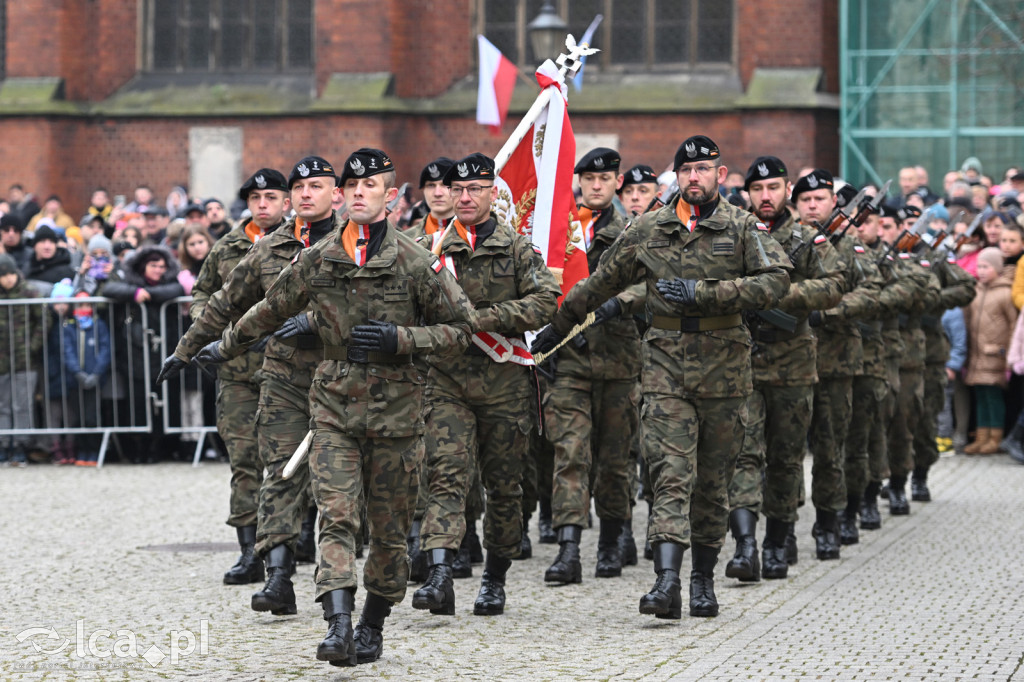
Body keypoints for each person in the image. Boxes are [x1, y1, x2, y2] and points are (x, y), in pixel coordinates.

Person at [193, 148, 476, 667]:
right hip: (333, 410)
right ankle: (338, 624)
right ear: (342, 197)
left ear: (391, 197)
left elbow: (462, 329)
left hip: (397, 417)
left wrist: (402, 338)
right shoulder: (318, 259)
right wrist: (208, 348)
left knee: (389, 532)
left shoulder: (416, 260)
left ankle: (371, 623)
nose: (361, 192)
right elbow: (264, 310)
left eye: (373, 185)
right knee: (337, 516)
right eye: (353, 185)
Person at [532, 134, 792, 620]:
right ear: (677, 178)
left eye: (705, 169)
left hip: (724, 370)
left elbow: (775, 282)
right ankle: (666, 581)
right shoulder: (649, 228)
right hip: (665, 367)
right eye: (687, 171)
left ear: (719, 175)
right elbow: (600, 282)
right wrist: (559, 327)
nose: (696, 178)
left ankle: (702, 581)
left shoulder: (740, 226)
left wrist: (705, 292)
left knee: (712, 481)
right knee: (670, 474)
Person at [159, 157, 338, 606]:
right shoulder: (266, 248)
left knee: (334, 481)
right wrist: (184, 350)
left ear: (336, 193)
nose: (305, 195)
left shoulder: (355, 244)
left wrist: (316, 321)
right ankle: (277, 577)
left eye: (316, 186)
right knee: (277, 471)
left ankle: (338, 581)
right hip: (280, 379)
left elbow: (380, 309)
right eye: (299, 188)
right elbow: (221, 302)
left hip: (340, 378)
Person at [409, 152, 560, 618]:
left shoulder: (517, 249)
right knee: (445, 477)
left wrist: (487, 318)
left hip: (504, 381)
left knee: (505, 486)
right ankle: (439, 574)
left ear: (493, 193)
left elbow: (546, 300)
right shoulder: (429, 248)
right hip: (448, 379)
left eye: (475, 189)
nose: (465, 197)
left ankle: (494, 578)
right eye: (457, 190)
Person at [725, 157, 844, 582]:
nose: (766, 196)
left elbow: (834, 284)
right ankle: (744, 546)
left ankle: (778, 540)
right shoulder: (735, 232)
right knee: (743, 454)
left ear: (786, 189)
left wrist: (781, 294)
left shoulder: (806, 239)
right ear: (747, 193)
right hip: (742, 363)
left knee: (786, 458)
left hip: (792, 365)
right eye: (757, 189)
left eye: (773, 188)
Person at [539, 147, 644, 586]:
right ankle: (568, 549)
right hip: (569, 360)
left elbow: (649, 284)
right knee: (570, 454)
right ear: (578, 182)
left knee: (616, 460)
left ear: (618, 182)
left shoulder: (635, 232)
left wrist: (618, 306)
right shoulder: (561, 231)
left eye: (605, 178)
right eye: (588, 178)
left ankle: (612, 539)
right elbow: (542, 283)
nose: (596, 186)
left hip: (619, 361)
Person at [181, 168, 291, 585]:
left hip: (288, 370)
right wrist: (207, 327)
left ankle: (293, 539)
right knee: (244, 460)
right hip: (238, 372)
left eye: (271, 197)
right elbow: (202, 293)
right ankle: (250, 552)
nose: (263, 204)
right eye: (256, 197)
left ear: (286, 201)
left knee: (291, 460)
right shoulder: (227, 246)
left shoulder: (304, 243)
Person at [103, 245, 185, 462]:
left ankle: (161, 448)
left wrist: (148, 295)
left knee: (164, 403)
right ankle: (139, 447)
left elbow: (177, 290)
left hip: (163, 352)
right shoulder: (129, 283)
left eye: (161, 266)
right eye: (153, 265)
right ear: (142, 267)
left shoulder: (170, 283)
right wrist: (135, 293)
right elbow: (108, 289)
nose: (158, 270)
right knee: (138, 403)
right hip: (135, 354)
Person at [963, 247, 1017, 454]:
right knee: (980, 395)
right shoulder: (975, 291)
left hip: (996, 355)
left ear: (997, 268)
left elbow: (1013, 325)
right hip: (976, 355)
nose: (982, 271)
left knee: (994, 397)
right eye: (979, 266)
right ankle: (981, 435)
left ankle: (995, 436)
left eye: (986, 267)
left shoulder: (1005, 292)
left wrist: (1010, 356)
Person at [0, 254, 42, 466]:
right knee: (3, 406)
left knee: (22, 406)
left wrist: (32, 346)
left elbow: (43, 321)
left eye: (9, 274)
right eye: (2, 275)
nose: (7, 279)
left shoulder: (29, 292)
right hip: (2, 362)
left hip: (25, 360)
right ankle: (4, 443)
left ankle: (21, 445)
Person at [25, 225, 77, 296]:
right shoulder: (27, 268)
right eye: (42, 241)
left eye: (51, 242)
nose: (47, 246)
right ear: (34, 245)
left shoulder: (66, 271)